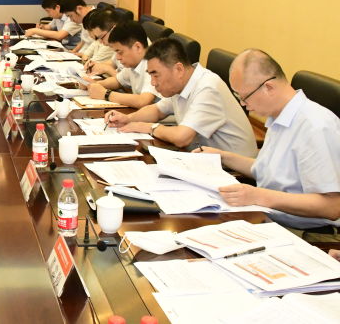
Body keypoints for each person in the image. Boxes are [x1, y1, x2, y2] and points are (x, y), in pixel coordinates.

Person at [201, 49, 340, 230]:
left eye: (244, 97)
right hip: (269, 215)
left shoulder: (316, 127)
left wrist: (257, 196)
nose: (243, 104)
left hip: (308, 232)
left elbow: (331, 207)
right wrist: (222, 156)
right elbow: (267, 171)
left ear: (268, 87)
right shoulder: (279, 115)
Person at [104, 38, 257, 156]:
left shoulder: (208, 88)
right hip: (201, 159)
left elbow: (182, 138)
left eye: (156, 75)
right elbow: (157, 110)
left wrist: (149, 127)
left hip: (233, 173)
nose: (153, 83)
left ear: (178, 69)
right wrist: (128, 119)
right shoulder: (182, 83)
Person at [86, 21, 159, 109]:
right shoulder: (134, 63)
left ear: (137, 47)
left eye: (120, 52)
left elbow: (143, 101)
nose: (117, 57)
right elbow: (118, 81)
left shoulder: (154, 63)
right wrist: (94, 85)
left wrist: (106, 94)